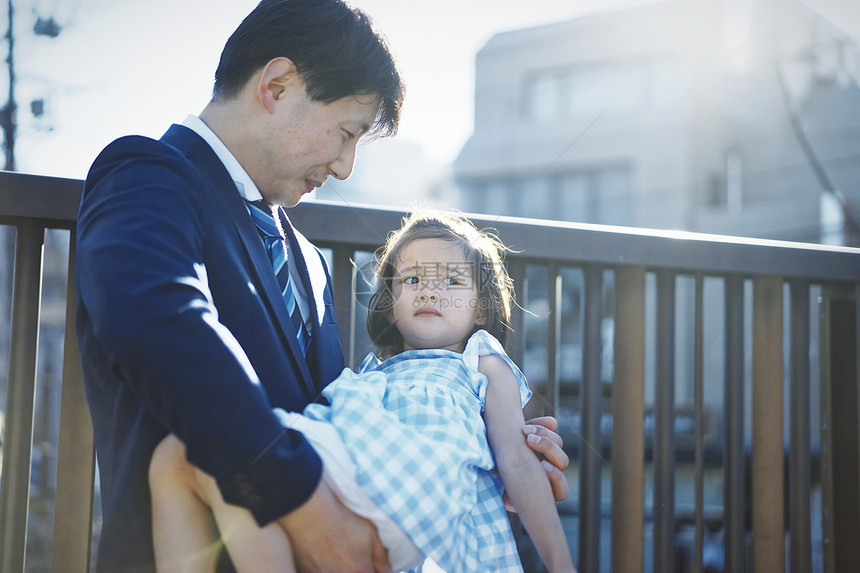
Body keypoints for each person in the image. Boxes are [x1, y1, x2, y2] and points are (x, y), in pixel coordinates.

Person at [75, 1, 569, 571]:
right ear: (277, 85)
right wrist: (301, 494)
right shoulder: (147, 172)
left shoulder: (307, 259)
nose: (344, 167)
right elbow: (157, 319)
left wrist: (476, 442)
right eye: (345, 133)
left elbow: (344, 423)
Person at [149, 210, 576, 573]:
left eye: (451, 281)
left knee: (216, 456)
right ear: (391, 302)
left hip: (408, 493)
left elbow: (517, 461)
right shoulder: (375, 374)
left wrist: (560, 563)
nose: (429, 289)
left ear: (480, 306)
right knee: (179, 457)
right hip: (352, 482)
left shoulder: (481, 358)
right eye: (412, 280)